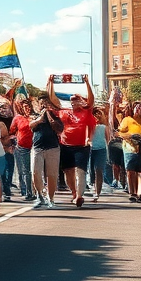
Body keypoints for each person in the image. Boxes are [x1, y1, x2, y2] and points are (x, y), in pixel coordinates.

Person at [57, 76, 97, 208]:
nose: (74, 102)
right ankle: (74, 193)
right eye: (72, 100)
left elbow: (91, 99)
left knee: (81, 171)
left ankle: (80, 196)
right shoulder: (65, 112)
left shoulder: (86, 111)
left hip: (82, 146)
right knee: (68, 172)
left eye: (77, 100)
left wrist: (87, 83)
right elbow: (53, 101)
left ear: (81, 101)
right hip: (66, 145)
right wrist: (50, 83)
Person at [30, 91, 64, 208]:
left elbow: (59, 129)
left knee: (52, 174)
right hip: (37, 148)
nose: (43, 103)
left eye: (46, 101)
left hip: (52, 148)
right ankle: (40, 195)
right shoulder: (34, 114)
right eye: (41, 101)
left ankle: (51, 198)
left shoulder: (55, 115)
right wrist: (39, 119)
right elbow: (30, 126)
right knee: (35, 172)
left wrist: (48, 114)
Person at [118, 102, 141, 202]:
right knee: (130, 171)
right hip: (129, 149)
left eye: (140, 107)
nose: (138, 109)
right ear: (132, 109)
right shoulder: (127, 120)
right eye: (136, 107)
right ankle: (132, 193)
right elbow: (119, 132)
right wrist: (130, 136)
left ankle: (139, 193)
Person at [10, 97, 33, 201]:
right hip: (21, 148)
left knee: (33, 171)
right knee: (23, 171)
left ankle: (34, 191)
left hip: (35, 147)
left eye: (28, 107)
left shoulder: (35, 117)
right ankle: (26, 191)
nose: (26, 109)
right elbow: (11, 131)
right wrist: (14, 140)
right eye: (24, 107)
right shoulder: (17, 118)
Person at [89, 106, 109, 202]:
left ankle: (97, 193)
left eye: (99, 114)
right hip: (90, 149)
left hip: (101, 150)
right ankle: (93, 188)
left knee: (99, 170)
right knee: (91, 171)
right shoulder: (89, 126)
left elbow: (108, 140)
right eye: (95, 114)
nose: (97, 116)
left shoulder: (104, 127)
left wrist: (108, 154)